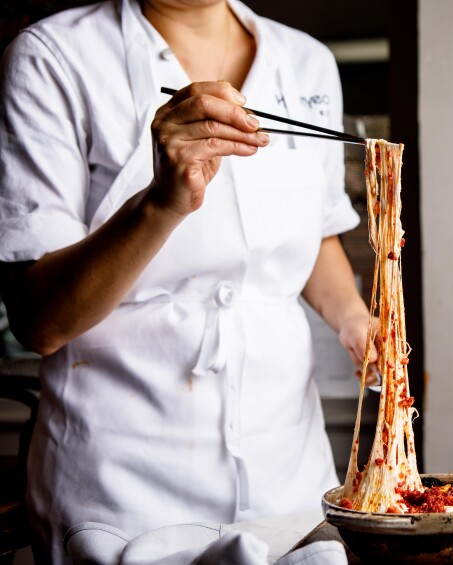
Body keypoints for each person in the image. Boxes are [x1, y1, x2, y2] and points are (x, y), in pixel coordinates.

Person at [0, 0, 378, 562]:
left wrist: (354, 319)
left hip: (289, 483)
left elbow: (314, 231)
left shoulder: (306, 61)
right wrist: (159, 203)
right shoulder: (52, 58)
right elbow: (39, 321)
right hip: (121, 492)